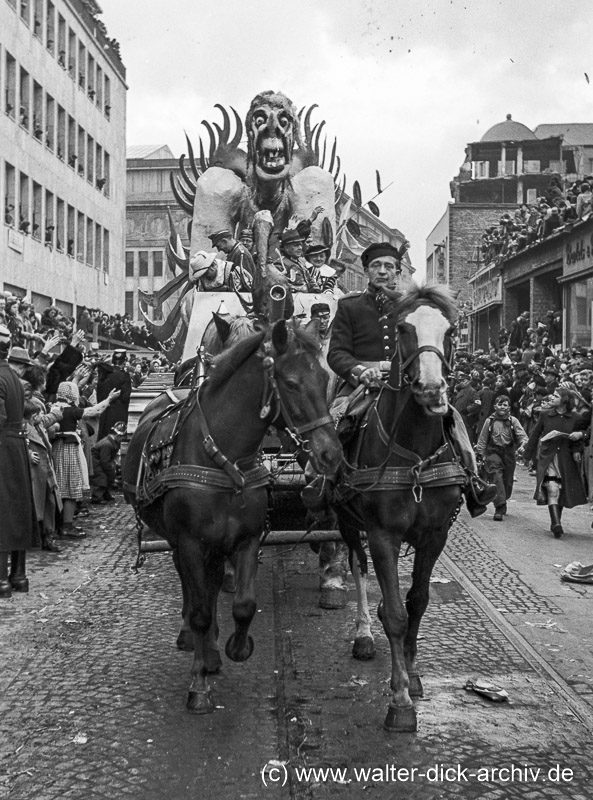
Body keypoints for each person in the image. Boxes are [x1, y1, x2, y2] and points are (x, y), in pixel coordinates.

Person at [326, 241, 496, 517]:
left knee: (453, 419)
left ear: (397, 272)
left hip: (402, 381)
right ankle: (323, 483)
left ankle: (474, 481)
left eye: (388, 267)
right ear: (367, 270)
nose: (382, 271)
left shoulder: (412, 307)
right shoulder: (350, 306)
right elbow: (337, 353)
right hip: (360, 384)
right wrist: (359, 371)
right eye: (376, 266)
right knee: (337, 418)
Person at [53, 381, 121, 538]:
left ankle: (57, 524)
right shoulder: (70, 410)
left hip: (55, 450)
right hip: (68, 450)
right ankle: (67, 525)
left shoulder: (53, 407)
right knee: (71, 488)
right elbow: (94, 410)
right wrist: (109, 399)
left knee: (58, 488)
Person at [520, 387, 588, 538]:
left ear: (564, 400)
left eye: (556, 396)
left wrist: (578, 443)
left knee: (562, 491)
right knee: (552, 488)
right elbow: (535, 434)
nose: (552, 398)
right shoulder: (545, 415)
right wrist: (527, 455)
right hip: (548, 458)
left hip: (566, 459)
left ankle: (556, 520)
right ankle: (556, 523)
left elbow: (582, 436)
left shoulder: (576, 417)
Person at [0, 325, 36, 598]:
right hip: (15, 447)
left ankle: (2, 581)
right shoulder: (12, 376)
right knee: (17, 510)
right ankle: (18, 576)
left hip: (3, 447)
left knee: (3, 511)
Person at [475, 395, 528, 521]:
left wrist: (523, 445)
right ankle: (499, 506)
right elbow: (482, 439)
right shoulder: (490, 421)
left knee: (507, 481)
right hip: (493, 452)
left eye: (505, 405)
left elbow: (522, 436)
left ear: (509, 407)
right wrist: (480, 455)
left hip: (509, 453)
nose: (502, 407)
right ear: (495, 406)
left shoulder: (513, 421)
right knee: (496, 476)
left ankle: (503, 499)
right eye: (500, 404)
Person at [96, 350, 132, 440]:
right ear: (124, 362)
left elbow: (99, 397)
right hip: (118, 414)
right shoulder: (124, 376)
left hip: (104, 413)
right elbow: (126, 397)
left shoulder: (103, 375)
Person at [90, 422, 126, 503]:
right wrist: (111, 470)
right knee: (101, 477)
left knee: (108, 477)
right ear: (117, 436)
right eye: (121, 437)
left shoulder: (112, 443)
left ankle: (105, 494)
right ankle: (96, 497)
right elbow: (104, 461)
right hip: (95, 463)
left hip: (100, 461)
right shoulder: (107, 444)